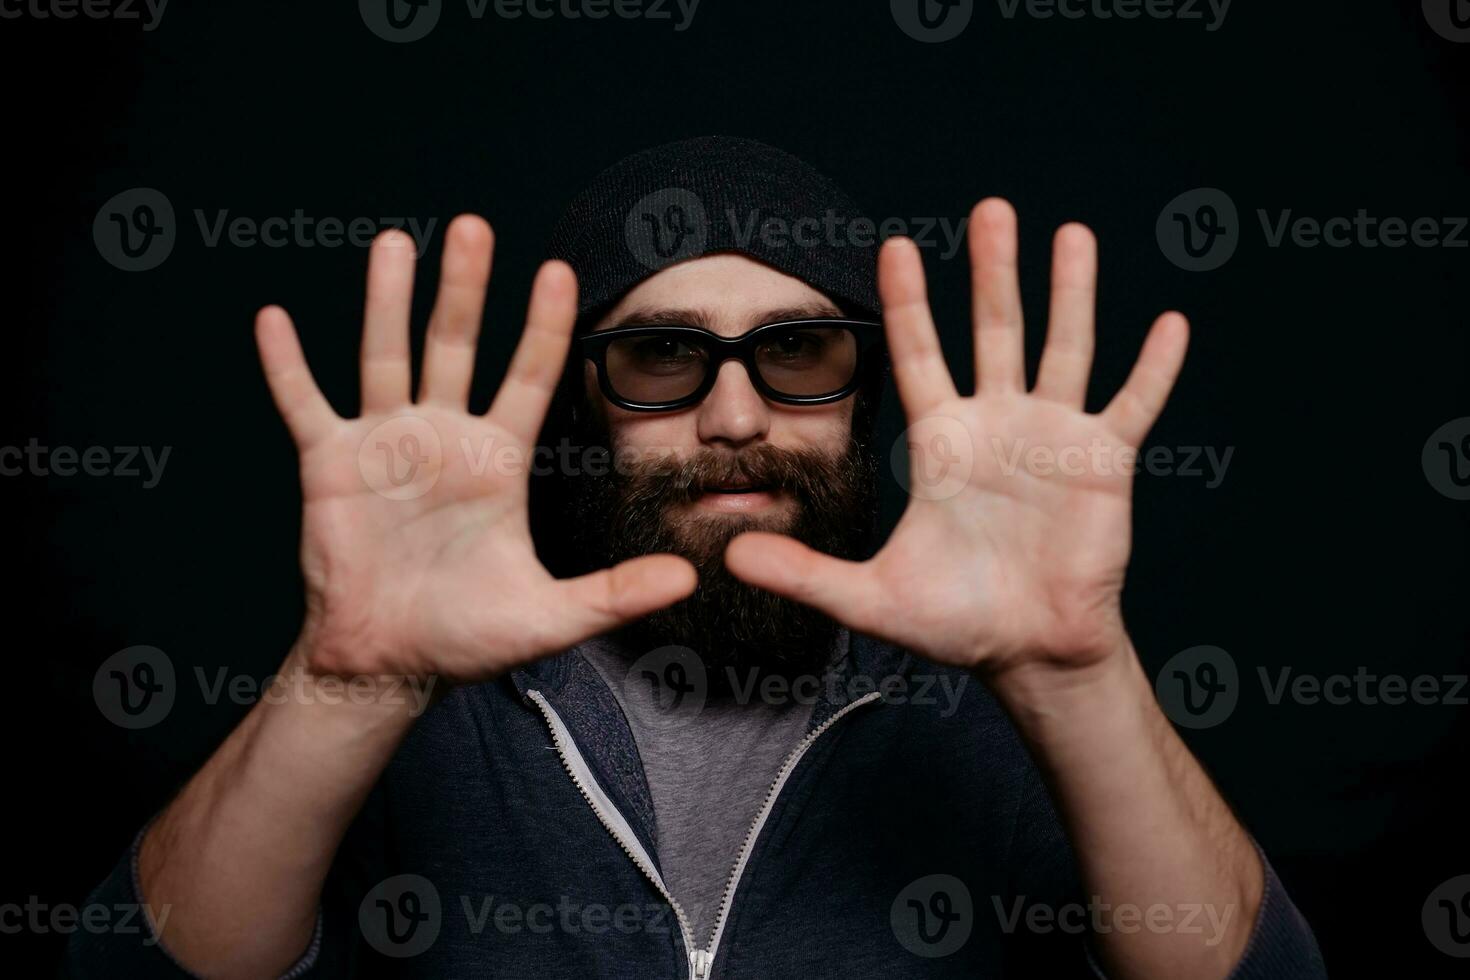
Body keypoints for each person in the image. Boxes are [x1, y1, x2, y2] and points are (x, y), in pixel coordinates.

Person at [68, 136, 1325, 979]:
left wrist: (1075, 671)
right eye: (663, 357)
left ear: (862, 407)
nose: (734, 417)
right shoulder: (431, 717)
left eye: (800, 351)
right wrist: (344, 685)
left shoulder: (979, 720)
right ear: (587, 407)